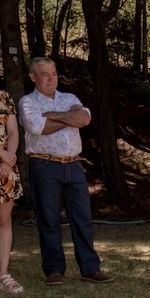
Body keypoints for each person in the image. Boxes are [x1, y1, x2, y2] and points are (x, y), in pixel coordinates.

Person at [18, 57, 112, 285]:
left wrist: (55, 115)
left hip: (73, 165)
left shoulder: (68, 98)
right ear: (33, 77)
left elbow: (84, 118)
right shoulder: (27, 102)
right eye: (45, 75)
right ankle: (54, 271)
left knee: (83, 219)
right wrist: (69, 118)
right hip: (44, 165)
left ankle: (89, 269)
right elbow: (39, 127)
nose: (52, 79)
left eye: (54, 74)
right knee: (49, 219)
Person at [0, 91, 24, 294]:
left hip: (5, 169)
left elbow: (14, 132)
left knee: (4, 220)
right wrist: (3, 155)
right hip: (4, 160)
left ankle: (3, 275)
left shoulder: (4, 97)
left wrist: (9, 160)